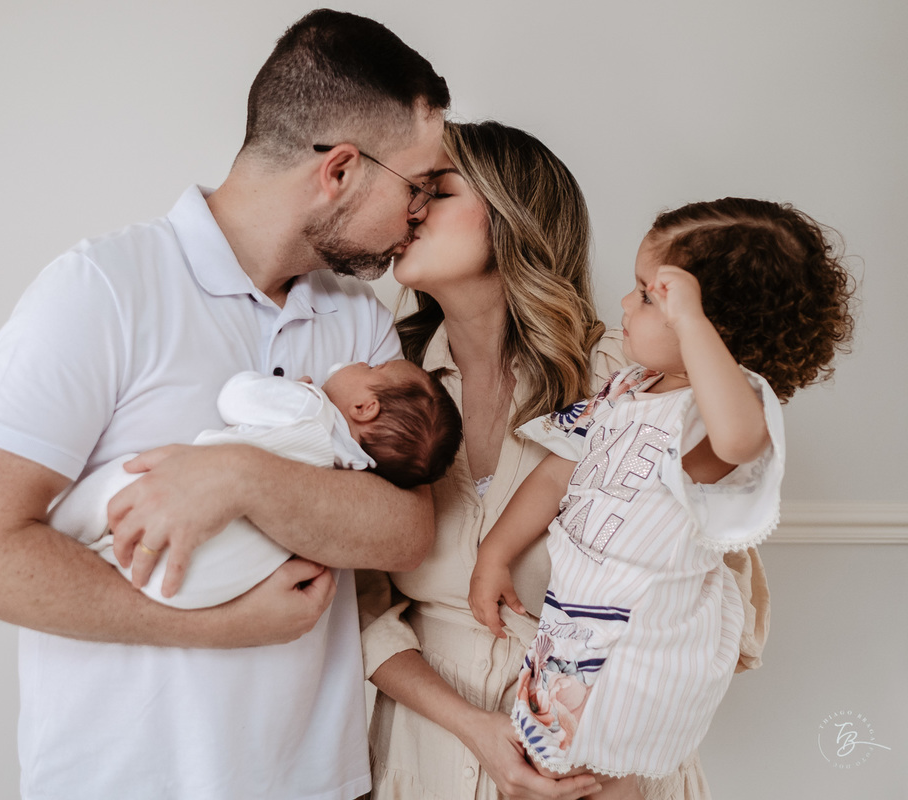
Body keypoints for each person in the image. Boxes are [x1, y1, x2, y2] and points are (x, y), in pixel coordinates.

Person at [0, 9, 450, 799]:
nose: (419, 212)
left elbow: (406, 530)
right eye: (415, 186)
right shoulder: (102, 290)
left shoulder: (358, 319)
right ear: (340, 170)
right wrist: (214, 629)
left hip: (316, 782)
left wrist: (240, 477)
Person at [359, 122, 774, 800]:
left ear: (511, 215)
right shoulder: (380, 390)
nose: (408, 209)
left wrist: (618, 766)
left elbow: (717, 605)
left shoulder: (635, 378)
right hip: (424, 758)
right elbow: (361, 608)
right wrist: (471, 726)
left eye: (436, 191)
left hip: (605, 772)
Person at [467, 197, 855, 798]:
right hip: (574, 624)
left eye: (648, 297)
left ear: (713, 327)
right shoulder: (628, 388)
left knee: (598, 776)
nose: (626, 304)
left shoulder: (720, 411)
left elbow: (741, 438)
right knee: (541, 770)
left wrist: (692, 321)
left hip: (643, 643)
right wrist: (494, 553)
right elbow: (559, 470)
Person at [49, 360, 461, 609]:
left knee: (128, 475)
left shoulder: (311, 407)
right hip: (200, 585)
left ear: (365, 407)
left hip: (167, 508)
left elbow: (235, 398)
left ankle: (58, 528)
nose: (361, 363)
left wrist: (287, 391)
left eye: (372, 369)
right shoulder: (347, 474)